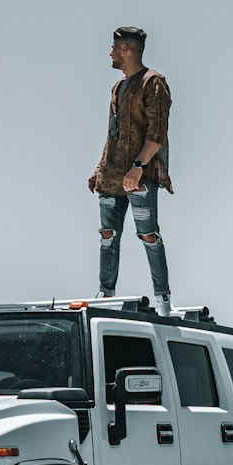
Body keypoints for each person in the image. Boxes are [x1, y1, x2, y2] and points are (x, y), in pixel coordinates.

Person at [88, 26, 174, 315]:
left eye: (114, 47)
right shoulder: (118, 87)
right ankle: (105, 294)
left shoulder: (154, 83)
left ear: (125, 49)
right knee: (107, 234)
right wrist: (99, 170)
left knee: (148, 234)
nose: (110, 53)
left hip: (140, 178)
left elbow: (157, 133)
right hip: (112, 176)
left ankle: (163, 299)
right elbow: (111, 133)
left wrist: (137, 168)